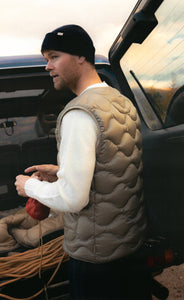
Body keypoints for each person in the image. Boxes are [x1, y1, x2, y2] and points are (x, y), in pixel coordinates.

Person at [15, 24, 151, 299]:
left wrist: (29, 187)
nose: (47, 66)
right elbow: (112, 165)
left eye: (54, 57)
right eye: (46, 59)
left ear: (81, 57)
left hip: (96, 259)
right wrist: (61, 172)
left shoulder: (79, 113)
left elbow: (72, 199)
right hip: (130, 246)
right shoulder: (120, 101)